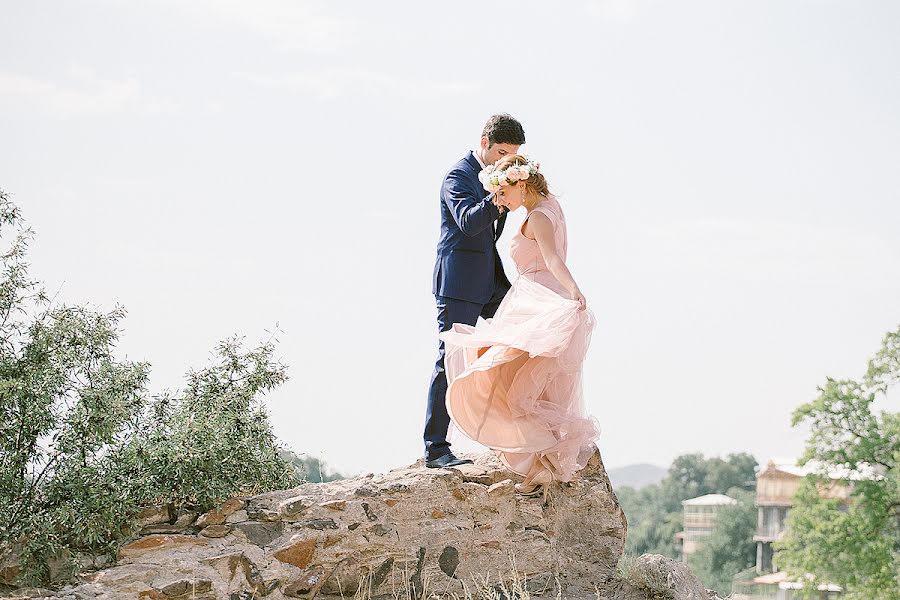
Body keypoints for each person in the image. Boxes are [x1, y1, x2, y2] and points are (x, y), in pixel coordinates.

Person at [438, 154, 601, 500]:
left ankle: (535, 463)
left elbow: (553, 258)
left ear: (521, 184)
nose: (500, 202)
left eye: (503, 194)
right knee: (525, 381)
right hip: (536, 296)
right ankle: (539, 464)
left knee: (500, 375)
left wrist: (574, 290)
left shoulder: (538, 216)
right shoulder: (549, 205)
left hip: (538, 299)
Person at [424, 114, 526, 468]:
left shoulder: (495, 177)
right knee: (448, 362)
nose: (504, 161)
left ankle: (515, 434)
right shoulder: (457, 177)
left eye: (511, 156)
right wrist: (497, 199)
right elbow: (468, 222)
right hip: (458, 284)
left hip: (491, 280)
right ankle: (436, 448)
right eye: (500, 152)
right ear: (484, 143)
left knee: (525, 339)